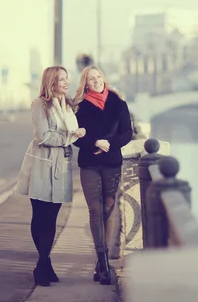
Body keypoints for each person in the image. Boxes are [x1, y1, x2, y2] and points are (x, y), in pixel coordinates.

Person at [14, 66, 86, 287]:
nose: (66, 82)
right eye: (61, 79)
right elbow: (43, 136)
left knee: (52, 218)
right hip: (42, 166)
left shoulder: (69, 105)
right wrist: (70, 136)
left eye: (67, 78)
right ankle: (43, 263)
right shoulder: (40, 104)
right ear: (51, 82)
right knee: (41, 216)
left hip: (62, 167)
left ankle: (44, 264)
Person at [72, 65, 132, 285]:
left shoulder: (118, 103)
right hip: (89, 163)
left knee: (109, 208)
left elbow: (127, 132)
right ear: (85, 83)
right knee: (95, 210)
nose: (96, 81)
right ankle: (103, 261)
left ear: (104, 79)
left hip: (112, 162)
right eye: (91, 78)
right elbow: (74, 136)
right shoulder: (79, 107)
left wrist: (109, 144)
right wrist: (94, 143)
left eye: (98, 77)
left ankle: (101, 262)